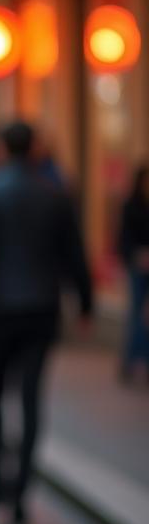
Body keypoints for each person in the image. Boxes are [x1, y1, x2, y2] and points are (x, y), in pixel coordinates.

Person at [0, 120, 92, 524]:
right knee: (30, 398)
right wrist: (86, 304)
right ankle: (22, 489)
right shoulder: (56, 194)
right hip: (42, 308)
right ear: (35, 148)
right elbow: (74, 254)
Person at [119, 164, 149, 384]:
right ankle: (132, 359)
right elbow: (124, 238)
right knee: (138, 313)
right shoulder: (131, 206)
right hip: (138, 267)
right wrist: (136, 255)